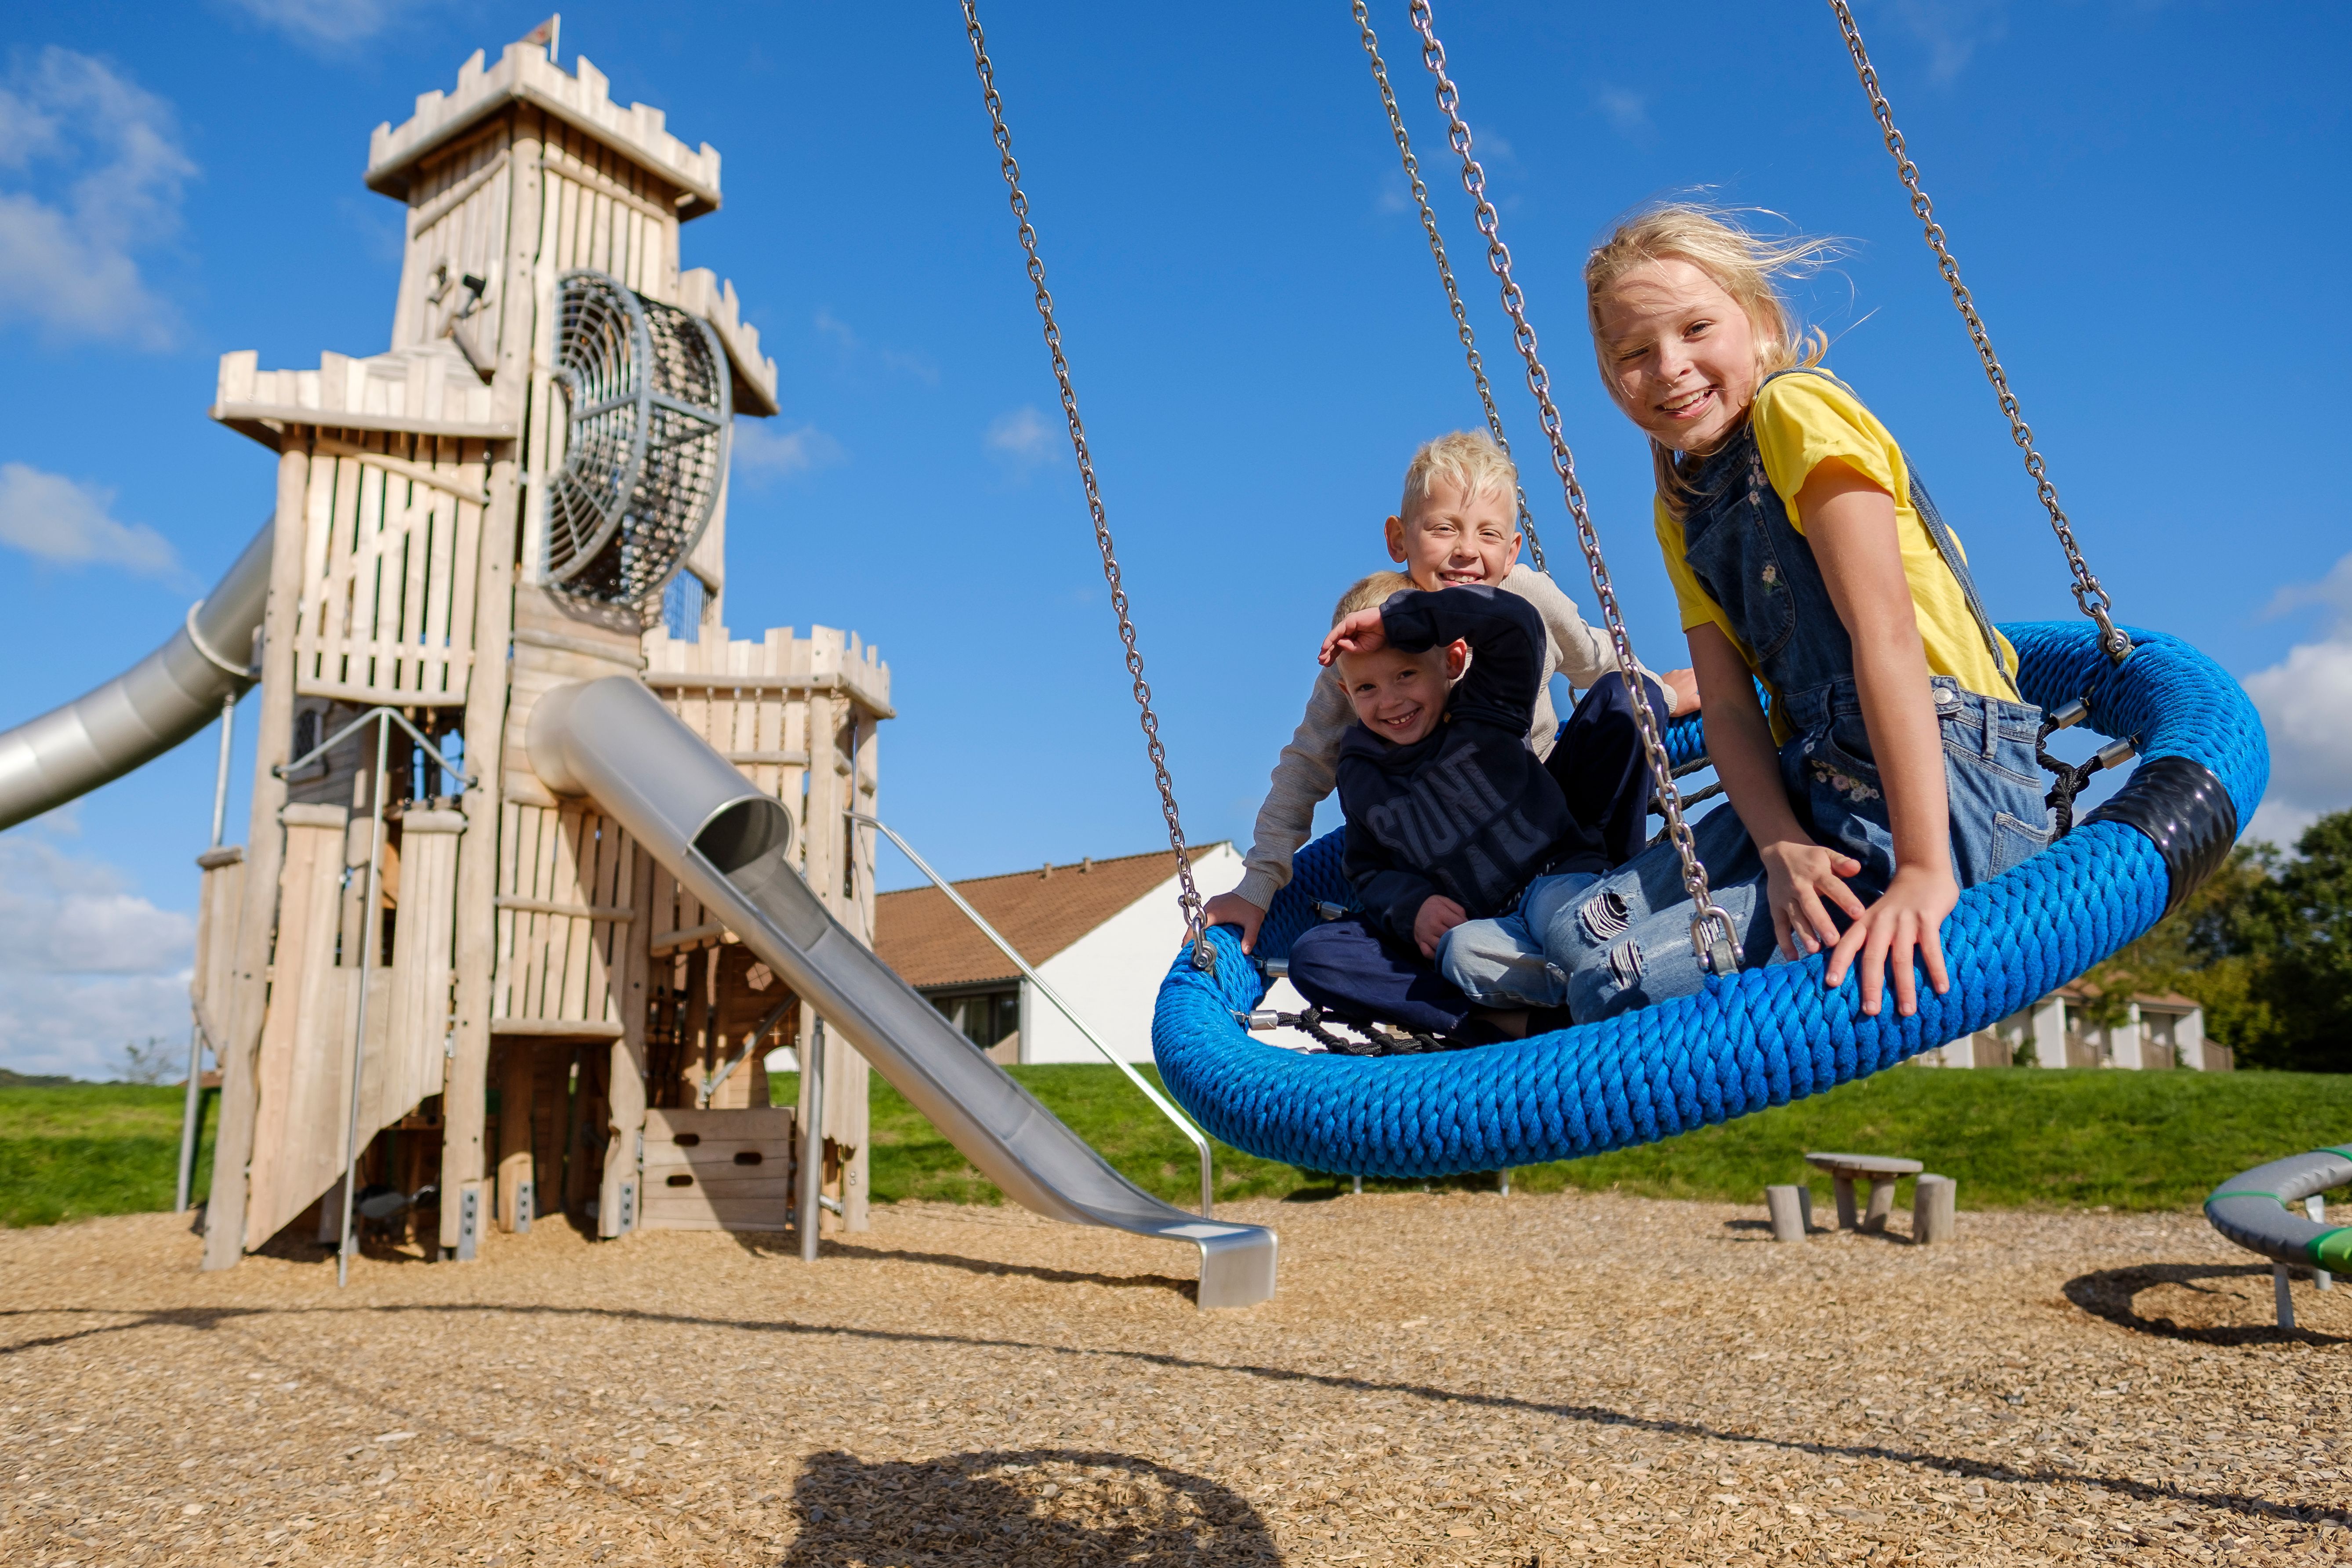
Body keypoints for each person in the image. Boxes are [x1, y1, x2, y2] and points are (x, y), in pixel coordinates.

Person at [1440, 204, 2053, 1025]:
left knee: (1610, 981)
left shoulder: (1795, 411)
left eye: (1696, 328)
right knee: (1582, 926)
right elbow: (1729, 706)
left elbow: (1886, 635)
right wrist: (1774, 846)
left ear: (1760, 324)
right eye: (1633, 353)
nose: (1669, 367)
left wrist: (1920, 869)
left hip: (1946, 783)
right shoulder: (1681, 503)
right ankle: (1529, 965)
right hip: (1812, 787)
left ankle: (1555, 1012)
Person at [1202, 431, 1697, 957]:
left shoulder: (1524, 596)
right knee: (1325, 954)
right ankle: (1490, 975)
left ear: (1511, 552)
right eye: (1443, 529)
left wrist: (1662, 690)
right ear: (1400, 541)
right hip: (1455, 854)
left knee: (1631, 700)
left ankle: (1613, 887)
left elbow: (1594, 658)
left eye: (1487, 534)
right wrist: (1257, 886)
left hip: (1553, 809)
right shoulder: (1372, 642)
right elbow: (1306, 766)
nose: (1466, 550)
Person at [1282, 572, 1593, 1047]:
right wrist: (1414, 908)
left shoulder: (1487, 706)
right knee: (1330, 957)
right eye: (1366, 688)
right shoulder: (1361, 771)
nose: (1390, 701)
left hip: (1556, 881)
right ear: (1347, 694)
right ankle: (1543, 1018)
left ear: (1452, 659)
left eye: (1406, 674)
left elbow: (1518, 624)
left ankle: (1595, 983)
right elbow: (1369, 871)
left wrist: (1406, 619)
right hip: (1484, 933)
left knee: (1565, 924)